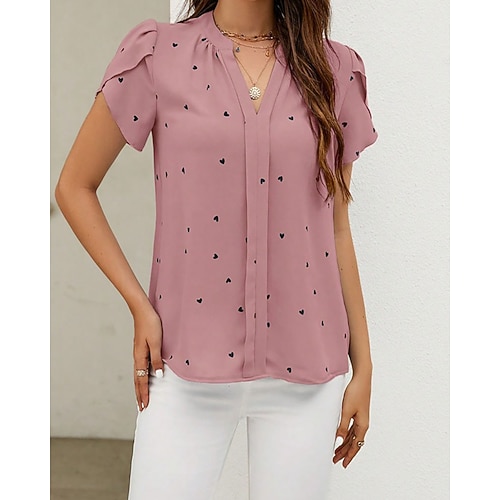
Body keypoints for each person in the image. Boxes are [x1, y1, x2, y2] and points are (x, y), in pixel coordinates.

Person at [55, 0, 378, 498]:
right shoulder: (158, 54)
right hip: (183, 364)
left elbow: (336, 226)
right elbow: (75, 186)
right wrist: (140, 306)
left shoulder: (333, 69)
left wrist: (364, 364)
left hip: (308, 374)